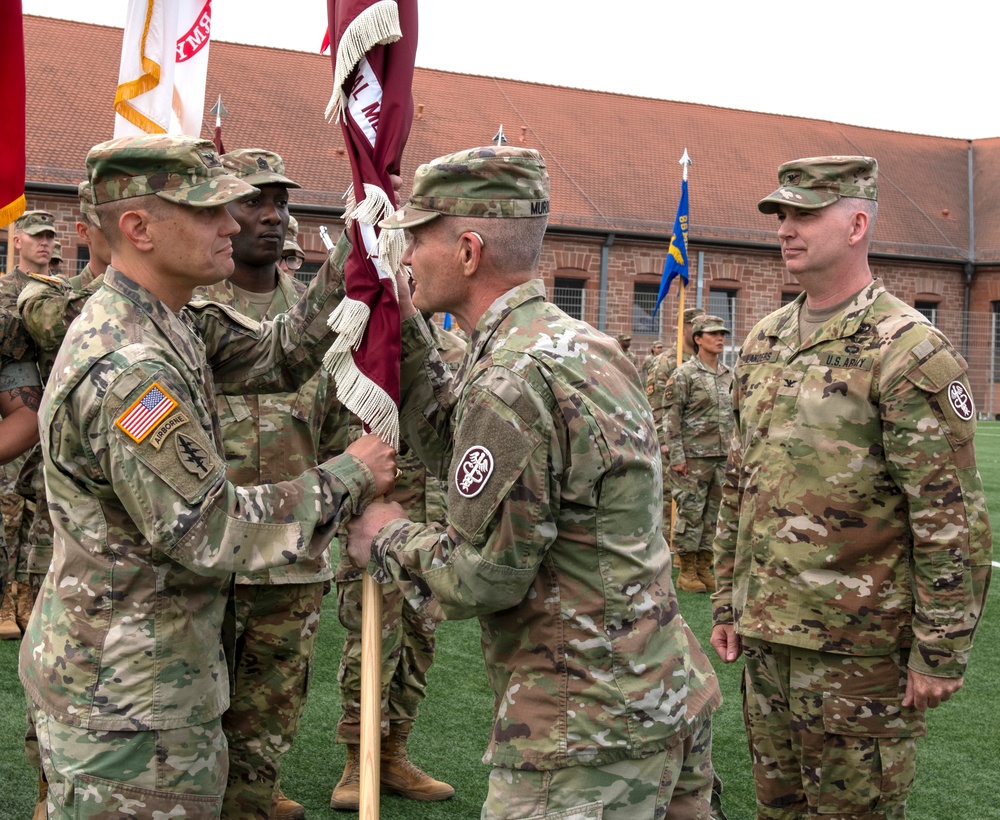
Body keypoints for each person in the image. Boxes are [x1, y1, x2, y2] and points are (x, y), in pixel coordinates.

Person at [17, 134, 397, 819]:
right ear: (138, 228)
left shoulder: (169, 322)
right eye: (209, 211)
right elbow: (210, 529)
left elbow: (284, 353)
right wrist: (349, 475)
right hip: (128, 700)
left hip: (154, 675)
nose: (233, 223)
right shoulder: (130, 365)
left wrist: (359, 245)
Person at [346, 146, 722, 819]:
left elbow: (484, 577)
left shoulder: (512, 378)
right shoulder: (581, 346)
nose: (405, 258)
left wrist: (386, 536)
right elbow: (463, 443)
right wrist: (401, 331)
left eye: (417, 238)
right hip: (659, 694)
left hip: (585, 729)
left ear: (467, 251)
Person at [711, 156, 993, 819]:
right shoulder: (765, 341)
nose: (785, 229)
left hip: (858, 654)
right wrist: (727, 601)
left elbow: (948, 516)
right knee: (778, 810)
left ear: (857, 222)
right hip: (770, 641)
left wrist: (941, 650)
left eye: (804, 215)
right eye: (781, 215)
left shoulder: (907, 351)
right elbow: (740, 485)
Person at [192, 147, 348, 820]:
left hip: (292, 552)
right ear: (218, 215)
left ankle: (253, 794)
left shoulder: (317, 312)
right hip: (206, 551)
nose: (270, 216)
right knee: (193, 704)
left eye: (280, 202)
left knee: (274, 703)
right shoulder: (191, 307)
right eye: (251, 201)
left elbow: (345, 419)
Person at [330, 306, 463, 811]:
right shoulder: (361, 350)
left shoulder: (452, 353)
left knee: (419, 641)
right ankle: (356, 755)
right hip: (377, 522)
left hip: (434, 528)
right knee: (370, 637)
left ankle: (394, 752)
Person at [0, 209, 57, 641]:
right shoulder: (4, 291)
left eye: (49, 238)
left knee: (36, 512)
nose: (45, 243)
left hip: (46, 412)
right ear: (16, 240)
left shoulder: (58, 292)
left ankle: (23, 597)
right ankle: (9, 601)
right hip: (22, 406)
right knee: (11, 512)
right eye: (36, 236)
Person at [663, 314, 733, 594]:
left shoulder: (728, 374)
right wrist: (677, 457)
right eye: (713, 334)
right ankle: (687, 569)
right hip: (692, 457)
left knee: (713, 515)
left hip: (721, 456)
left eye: (722, 334)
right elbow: (672, 418)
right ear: (698, 339)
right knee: (691, 513)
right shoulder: (684, 375)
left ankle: (705, 566)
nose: (720, 339)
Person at [646, 306, 704, 547]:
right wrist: (664, 442)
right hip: (673, 444)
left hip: (699, 447)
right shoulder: (667, 362)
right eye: (697, 326)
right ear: (686, 328)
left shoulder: (702, 362)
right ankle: (667, 546)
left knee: (697, 500)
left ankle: (693, 550)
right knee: (670, 496)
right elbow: (655, 406)